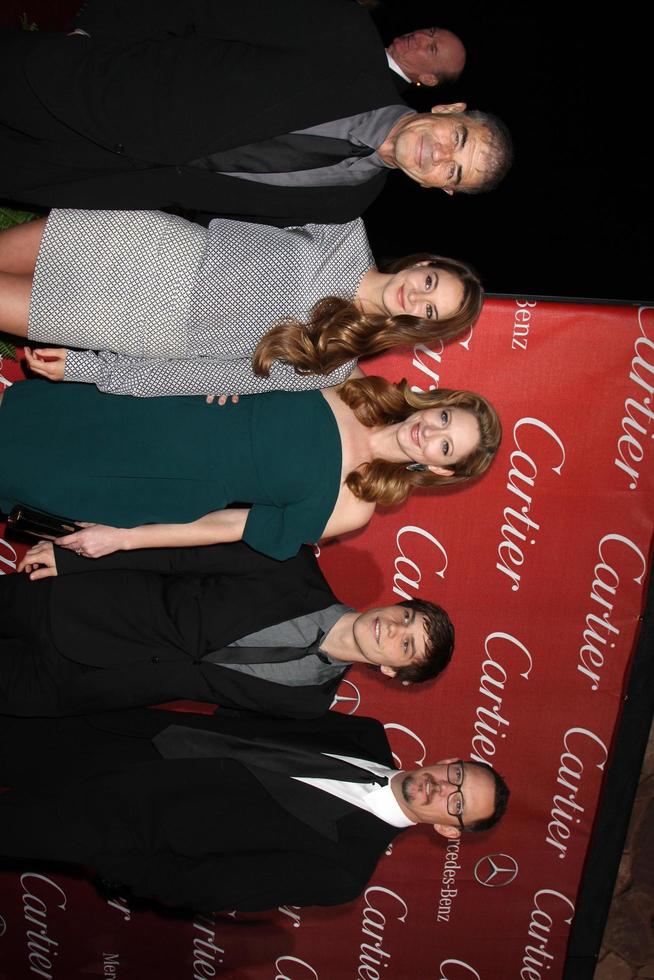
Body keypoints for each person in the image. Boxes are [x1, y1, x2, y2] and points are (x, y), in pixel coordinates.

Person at [0, 0, 512, 221]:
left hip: (79, 178)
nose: (441, 153)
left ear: (439, 187)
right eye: (459, 138)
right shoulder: (346, 38)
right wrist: (93, 35)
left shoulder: (346, 204)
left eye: (454, 170)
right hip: (88, 84)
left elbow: (214, 211)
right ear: (449, 108)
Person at [0, 708, 510, 911]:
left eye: (457, 803)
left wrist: (116, 855)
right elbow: (246, 718)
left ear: (448, 828)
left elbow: (206, 888)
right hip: (121, 741)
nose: (443, 788)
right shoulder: (364, 733)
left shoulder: (344, 873)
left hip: (117, 827)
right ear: (449, 760)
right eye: (457, 775)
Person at [0, 376, 502, 560]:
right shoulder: (352, 383)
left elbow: (229, 527)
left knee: (18, 469)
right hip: (154, 410)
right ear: (435, 402)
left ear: (438, 470)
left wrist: (123, 538)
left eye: (444, 448)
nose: (431, 433)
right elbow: (252, 358)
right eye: (443, 419)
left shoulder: (355, 506)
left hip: (150, 486)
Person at [0, 211, 482, 397]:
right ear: (425, 263)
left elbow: (205, 377)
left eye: (430, 311)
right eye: (431, 281)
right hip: (156, 244)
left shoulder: (334, 362)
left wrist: (94, 369)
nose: (417, 296)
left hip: (145, 327)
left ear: (421, 329)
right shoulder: (343, 226)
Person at [0, 539, 453, 716]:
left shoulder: (308, 704)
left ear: (395, 673)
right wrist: (73, 559)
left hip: (82, 688)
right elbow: (176, 555)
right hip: (73, 605)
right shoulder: (290, 565)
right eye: (407, 617)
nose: (395, 628)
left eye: (406, 645)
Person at [387, 26, 466, 90]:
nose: (419, 35)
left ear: (428, 79)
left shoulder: (383, 97)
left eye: (432, 49)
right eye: (431, 31)